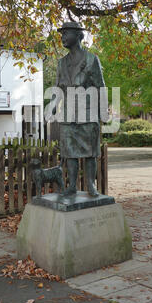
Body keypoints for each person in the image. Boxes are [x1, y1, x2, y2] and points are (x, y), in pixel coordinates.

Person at [55, 21, 107, 197]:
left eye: (65, 34)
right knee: (70, 152)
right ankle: (72, 186)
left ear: (78, 36)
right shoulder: (61, 63)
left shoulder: (92, 59)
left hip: (88, 111)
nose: (62, 37)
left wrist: (102, 112)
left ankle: (91, 185)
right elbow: (58, 89)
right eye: (61, 34)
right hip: (68, 113)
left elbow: (100, 87)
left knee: (89, 151)